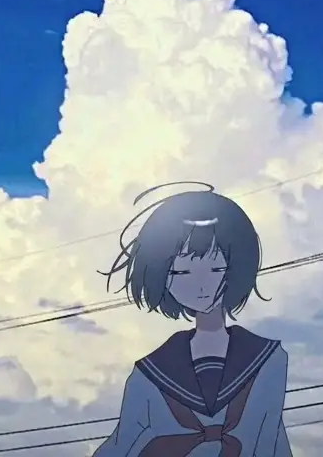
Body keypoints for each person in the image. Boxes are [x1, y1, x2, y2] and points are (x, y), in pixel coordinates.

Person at [93, 182, 293, 457]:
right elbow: (122, 443)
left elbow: (272, 442)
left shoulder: (268, 361)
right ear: (160, 275)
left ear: (236, 268)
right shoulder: (149, 374)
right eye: (181, 272)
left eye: (216, 268)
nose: (201, 284)